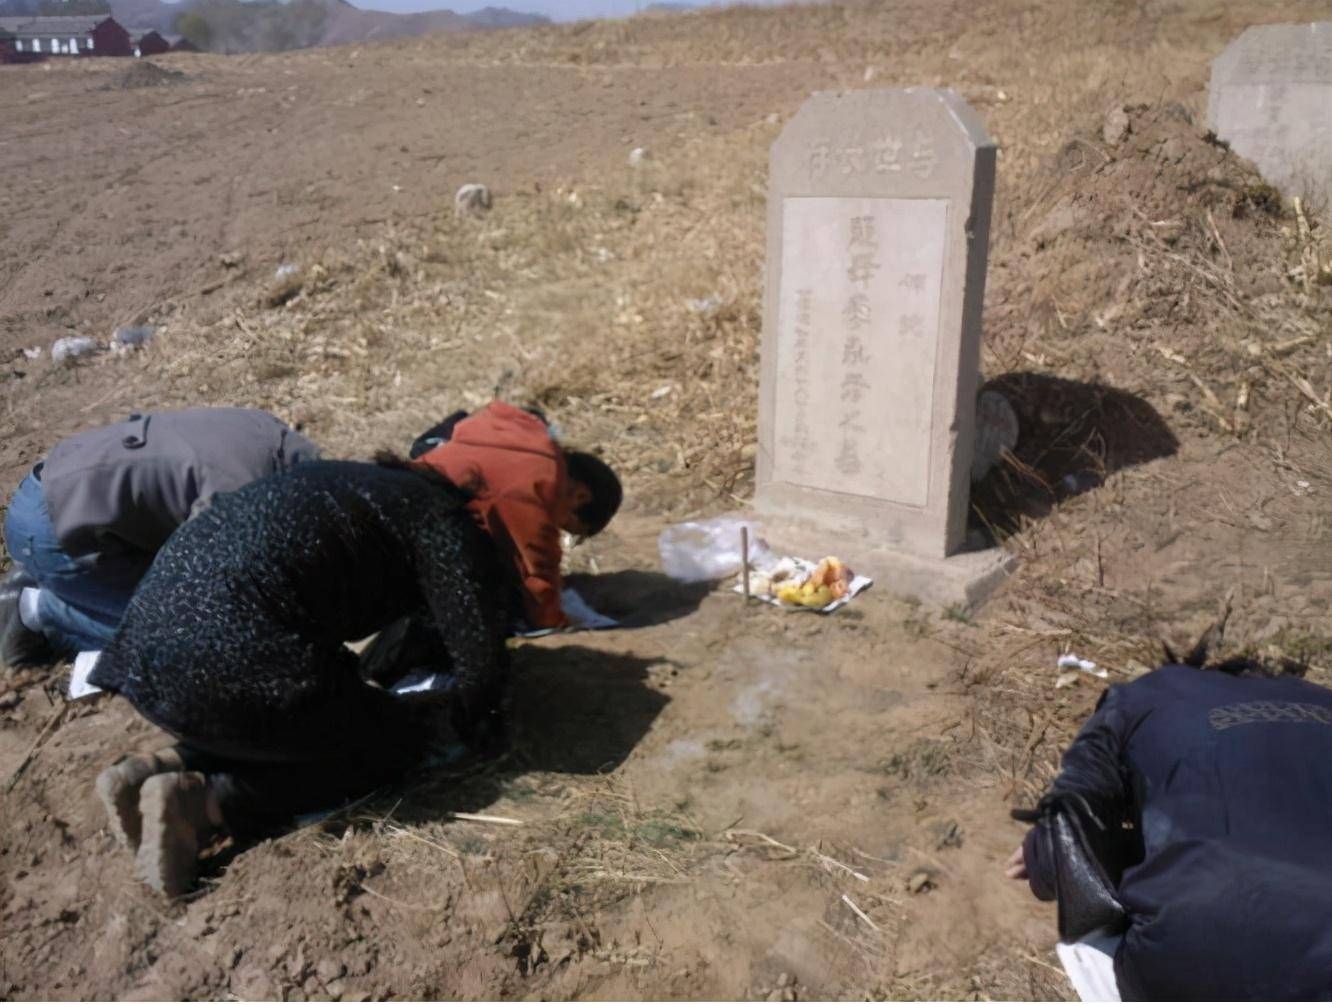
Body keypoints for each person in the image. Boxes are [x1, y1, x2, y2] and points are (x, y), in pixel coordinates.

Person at [90, 458, 512, 897]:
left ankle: (160, 766)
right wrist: (481, 722)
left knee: (283, 721)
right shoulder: (446, 527)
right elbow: (480, 666)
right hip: (232, 661)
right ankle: (205, 804)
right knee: (390, 743)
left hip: (144, 657)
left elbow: (381, 646)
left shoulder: (362, 487)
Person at [1007, 659, 1332, 1000]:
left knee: (1089, 943)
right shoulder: (1323, 698)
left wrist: (1040, 857)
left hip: (1193, 937)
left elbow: (1081, 808)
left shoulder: (1145, 694)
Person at [0, 407, 319, 666]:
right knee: (195, 637)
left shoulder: (267, 431)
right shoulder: (241, 490)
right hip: (55, 528)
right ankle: (41, 609)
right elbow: (207, 584)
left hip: (66, 496)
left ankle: (63, 581)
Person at [410, 400, 621, 632]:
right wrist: (560, 620)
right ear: (580, 496)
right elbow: (538, 576)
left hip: (403, 485)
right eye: (565, 526)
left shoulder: (515, 431)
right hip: (409, 531)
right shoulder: (540, 485)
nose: (552, 529)